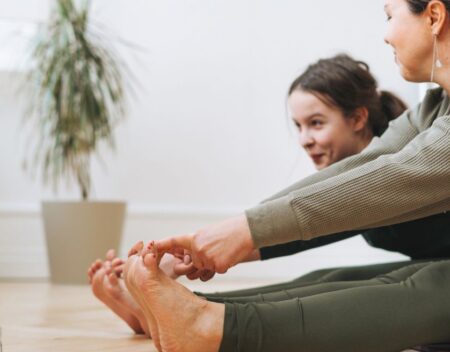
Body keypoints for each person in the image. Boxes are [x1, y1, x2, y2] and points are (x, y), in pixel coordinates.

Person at [111, 0, 450, 352]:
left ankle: (211, 326)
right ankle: (195, 312)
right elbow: (363, 167)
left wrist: (245, 232)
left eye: (389, 15)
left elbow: (388, 180)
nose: (386, 34)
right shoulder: (436, 106)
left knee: (429, 285)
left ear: (433, 16)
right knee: (345, 281)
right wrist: (216, 240)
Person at [87, 53, 409, 337]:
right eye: (298, 126)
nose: (305, 139)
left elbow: (305, 228)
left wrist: (200, 251)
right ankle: (162, 313)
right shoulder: (353, 178)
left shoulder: (393, 169)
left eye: (316, 123)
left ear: (357, 118)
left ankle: (174, 315)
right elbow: (297, 229)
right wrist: (187, 254)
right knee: (327, 277)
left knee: (336, 281)